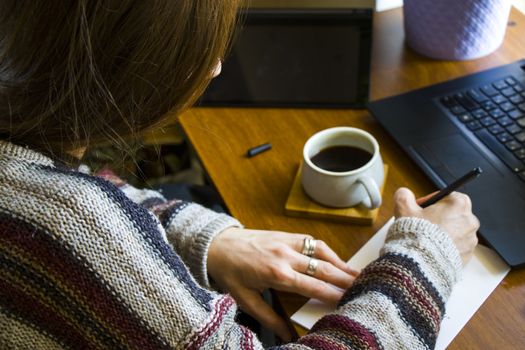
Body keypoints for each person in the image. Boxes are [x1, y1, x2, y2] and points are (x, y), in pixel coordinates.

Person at [0, 1, 479, 349]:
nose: (215, 65)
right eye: (187, 45)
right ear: (108, 60)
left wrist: (202, 239)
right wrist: (427, 255)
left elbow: (87, 188)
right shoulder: (67, 222)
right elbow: (76, 217)